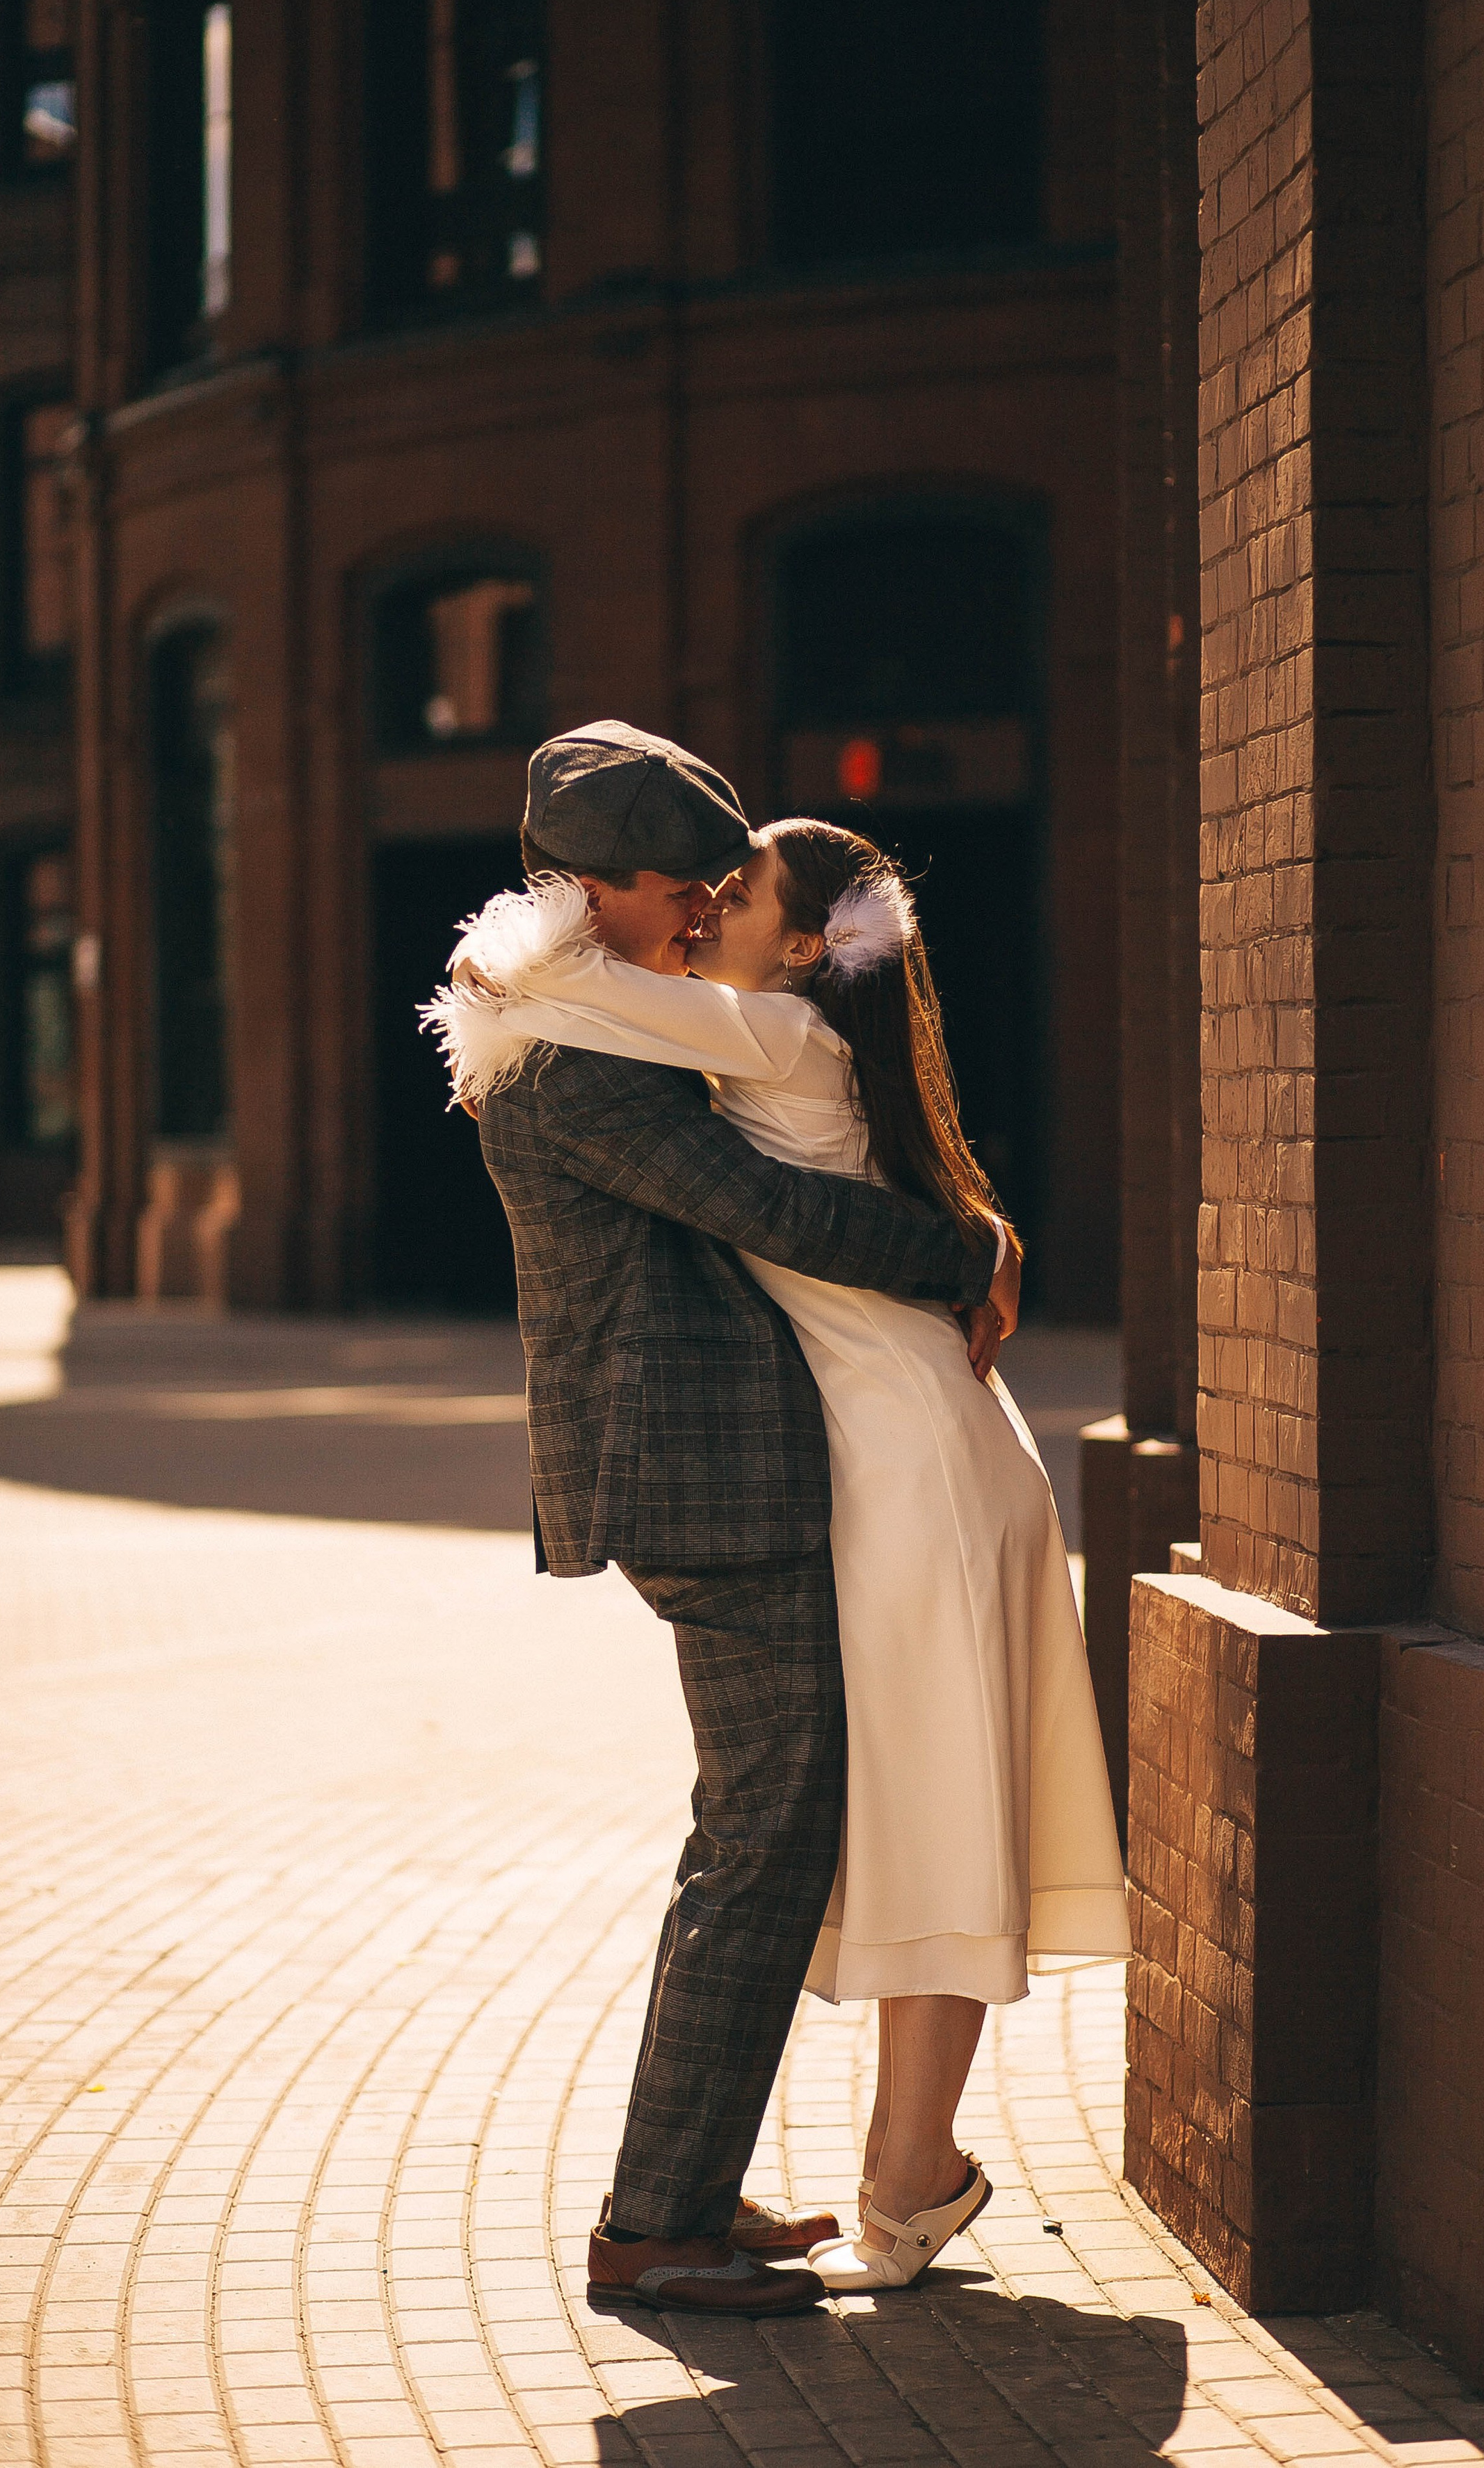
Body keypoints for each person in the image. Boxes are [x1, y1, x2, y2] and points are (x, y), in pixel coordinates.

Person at [429, 803, 1128, 2296]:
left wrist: (977, 1245)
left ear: (807, 947)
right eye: (692, 885)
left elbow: (530, 991)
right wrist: (977, 1241)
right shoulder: (693, 1045)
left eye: (731, 892)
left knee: (921, 1810)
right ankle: (805, 2189)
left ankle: (881, 2180)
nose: (706, 909)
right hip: (871, 1454)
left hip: (916, 1462)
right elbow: (556, 1018)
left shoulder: (763, 1033)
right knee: (861, 1820)